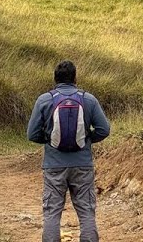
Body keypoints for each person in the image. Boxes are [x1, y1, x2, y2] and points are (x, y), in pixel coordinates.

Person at [26, 60, 111, 242]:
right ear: (75, 78)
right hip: (82, 165)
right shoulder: (88, 99)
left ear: (55, 79)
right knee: (86, 212)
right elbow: (104, 129)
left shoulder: (44, 100)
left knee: (52, 212)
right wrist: (86, 141)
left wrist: (50, 142)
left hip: (53, 165)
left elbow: (32, 134)